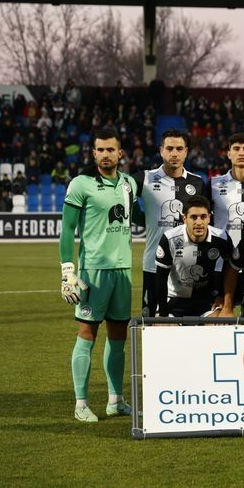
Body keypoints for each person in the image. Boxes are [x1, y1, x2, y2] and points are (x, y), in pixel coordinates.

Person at [59, 130, 141, 423]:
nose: (105, 154)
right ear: (93, 154)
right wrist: (67, 271)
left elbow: (138, 216)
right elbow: (67, 230)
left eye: (111, 149)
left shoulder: (130, 183)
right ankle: (81, 403)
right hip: (93, 272)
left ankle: (115, 401)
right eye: (100, 149)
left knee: (119, 337)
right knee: (87, 334)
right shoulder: (81, 184)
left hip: (123, 271)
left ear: (121, 154)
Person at [133, 130, 205, 317]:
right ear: (161, 151)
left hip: (188, 264)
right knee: (151, 322)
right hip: (153, 264)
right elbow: (125, 202)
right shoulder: (144, 179)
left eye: (179, 149)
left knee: (191, 321)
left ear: (186, 152)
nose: (174, 153)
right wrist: (145, 221)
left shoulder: (197, 183)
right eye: (170, 148)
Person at [154, 195, 233, 318]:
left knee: (221, 324)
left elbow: (230, 269)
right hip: (174, 300)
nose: (199, 222)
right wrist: (162, 313)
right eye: (193, 217)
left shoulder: (222, 238)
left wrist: (222, 296)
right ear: (184, 218)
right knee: (163, 328)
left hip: (206, 301)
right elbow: (161, 278)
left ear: (209, 218)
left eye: (203, 217)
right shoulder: (169, 238)